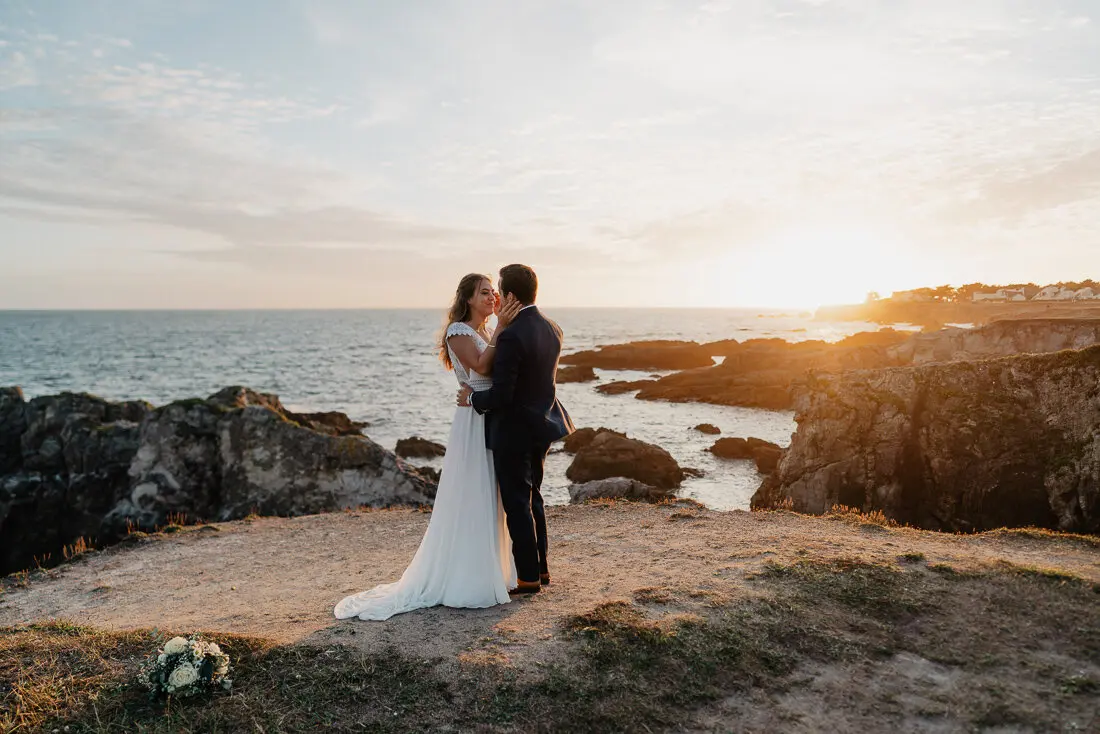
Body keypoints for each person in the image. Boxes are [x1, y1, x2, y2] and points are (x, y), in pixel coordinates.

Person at [334, 273, 522, 621]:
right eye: (484, 292)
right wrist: (501, 328)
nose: (491, 297)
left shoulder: (485, 332)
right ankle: (466, 578)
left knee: (490, 494)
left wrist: (499, 330)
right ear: (467, 298)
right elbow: (480, 367)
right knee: (472, 493)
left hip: (487, 415)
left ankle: (493, 570)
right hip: (471, 422)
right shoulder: (460, 332)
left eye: (493, 292)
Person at [457, 264, 575, 595]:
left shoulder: (510, 335)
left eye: (498, 289)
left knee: (517, 503)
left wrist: (473, 398)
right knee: (533, 496)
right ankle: (542, 569)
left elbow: (502, 394)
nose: (494, 294)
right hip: (543, 425)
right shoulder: (553, 328)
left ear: (509, 295)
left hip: (514, 430)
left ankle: (527, 579)